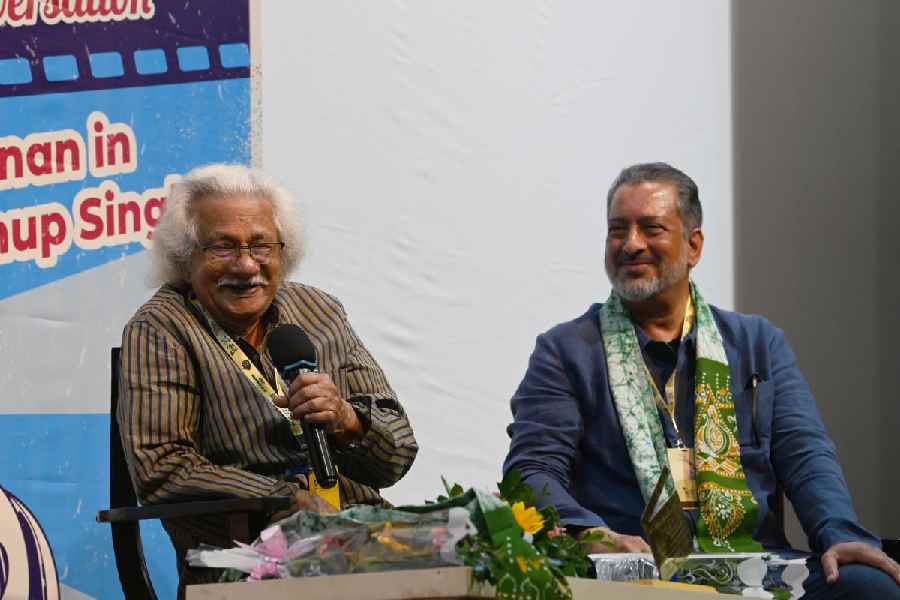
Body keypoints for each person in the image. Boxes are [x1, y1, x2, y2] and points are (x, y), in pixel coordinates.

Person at [503, 162, 900, 598]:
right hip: (635, 575)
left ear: (693, 246)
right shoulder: (566, 351)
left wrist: (839, 532)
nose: (631, 244)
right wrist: (592, 534)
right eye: (618, 230)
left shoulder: (756, 343)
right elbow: (533, 470)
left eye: (651, 228)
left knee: (868, 585)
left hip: (756, 570)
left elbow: (804, 453)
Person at [118, 163, 418, 585]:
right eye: (222, 247)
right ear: (185, 258)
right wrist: (283, 498)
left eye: (261, 245)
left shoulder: (321, 312)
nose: (245, 265)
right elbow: (163, 467)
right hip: (251, 560)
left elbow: (398, 454)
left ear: (283, 251)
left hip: (363, 541)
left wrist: (347, 421)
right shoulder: (162, 327)